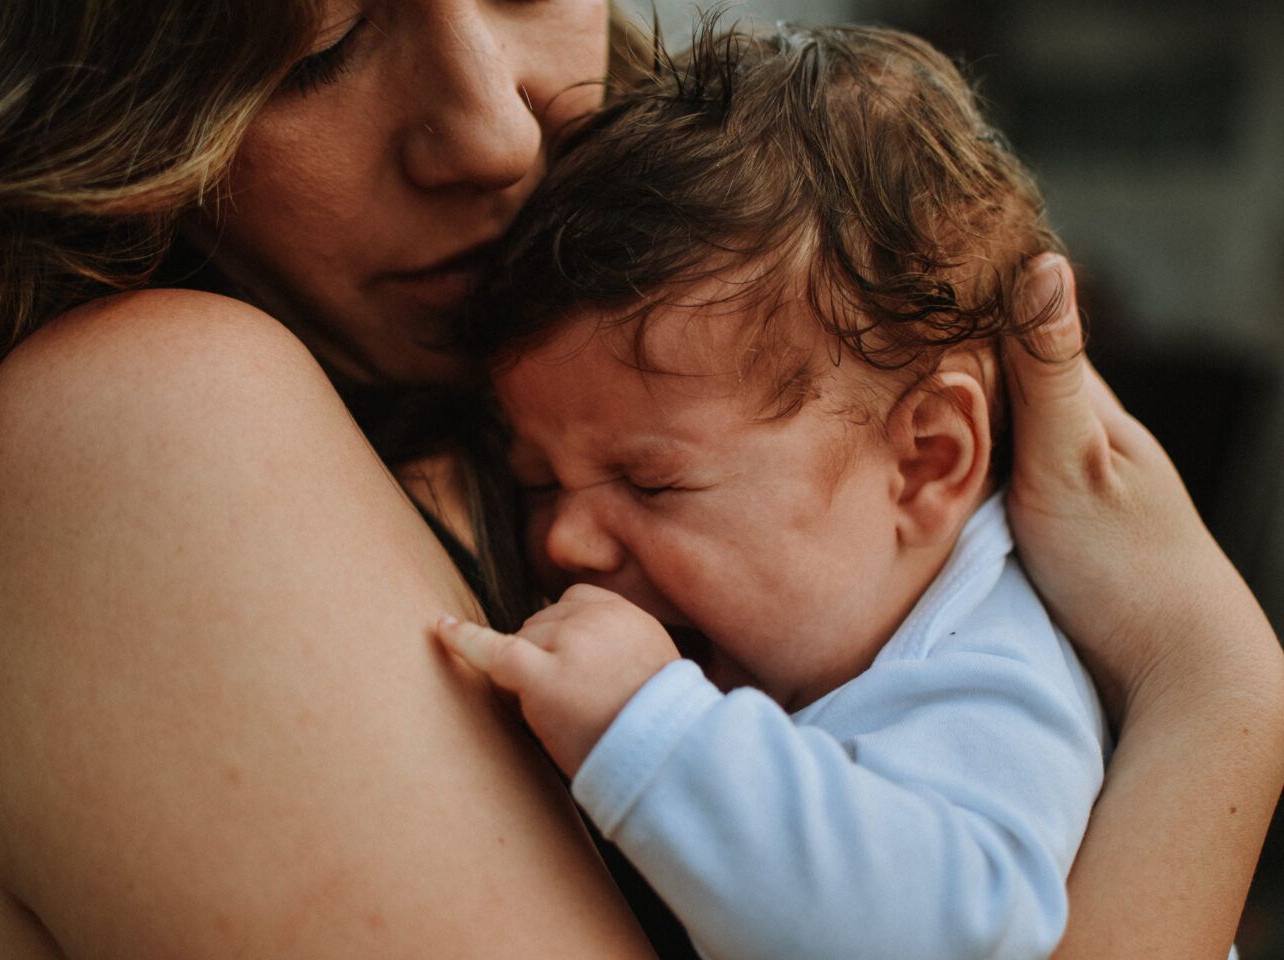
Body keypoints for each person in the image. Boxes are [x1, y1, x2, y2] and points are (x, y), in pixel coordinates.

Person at [0, 2, 1279, 959]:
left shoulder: (594, 397)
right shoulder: (148, 435)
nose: (493, 131)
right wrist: (1217, 692)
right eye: (317, 46)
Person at [439, 24, 1110, 959]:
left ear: (924, 462)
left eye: (652, 480)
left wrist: (654, 734)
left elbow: (954, 935)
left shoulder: (986, 676)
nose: (564, 543)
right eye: (537, 481)